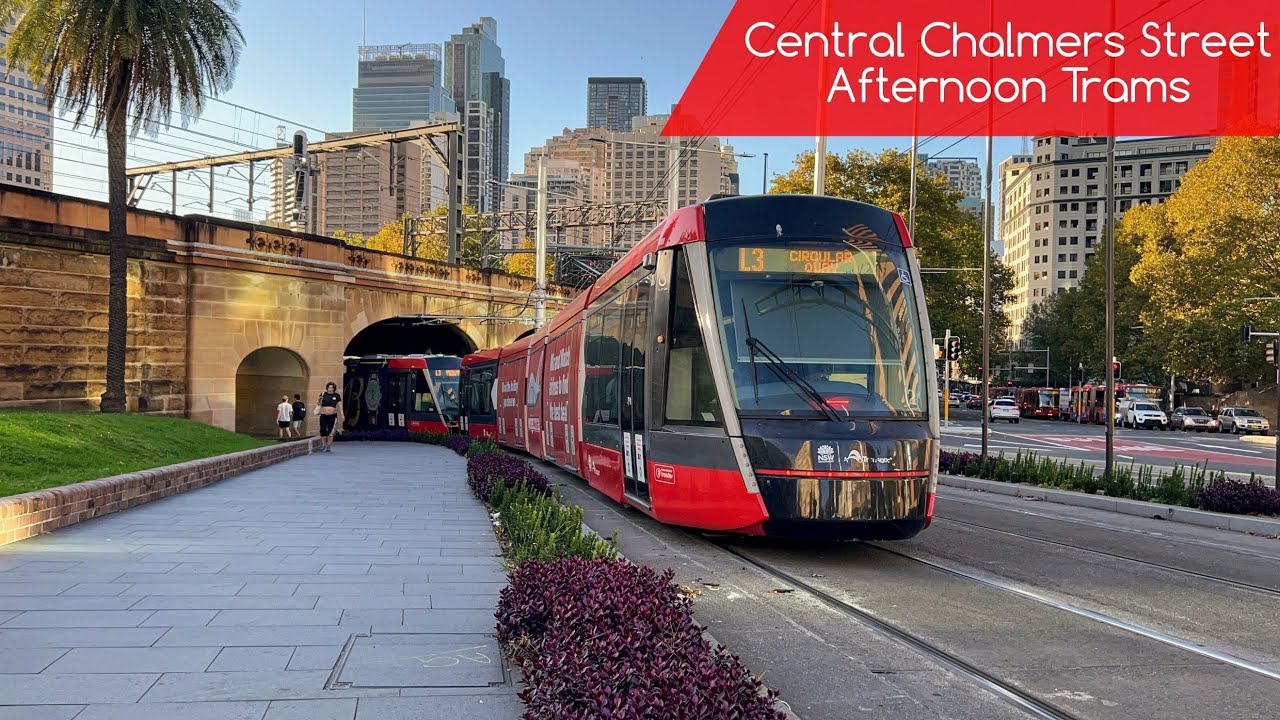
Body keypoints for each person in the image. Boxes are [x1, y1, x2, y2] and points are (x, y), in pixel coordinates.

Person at [317, 382, 343, 452]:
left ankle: (328, 446)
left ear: (334, 389)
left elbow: (340, 406)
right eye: (329, 387)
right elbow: (319, 403)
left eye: (332, 388)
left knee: (331, 431)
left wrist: (342, 415)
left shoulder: (336, 395)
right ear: (327, 388)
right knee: (322, 429)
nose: (330, 389)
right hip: (324, 415)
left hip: (332, 415)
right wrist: (320, 400)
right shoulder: (323, 394)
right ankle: (323, 444)